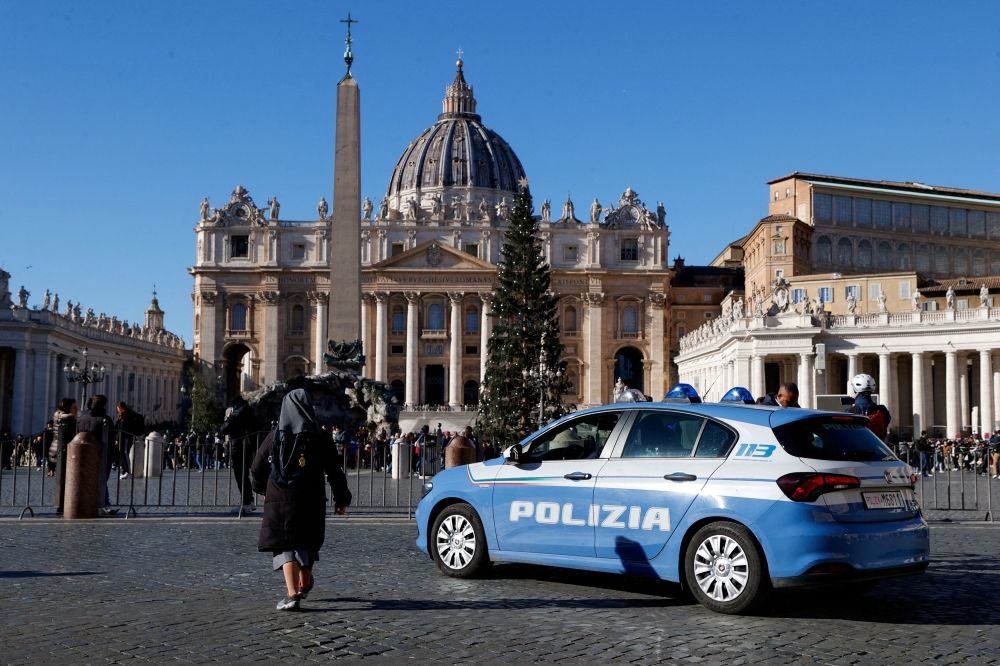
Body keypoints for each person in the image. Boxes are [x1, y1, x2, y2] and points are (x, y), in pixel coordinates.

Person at [250, 389, 352, 611]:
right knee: (308, 539)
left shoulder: (275, 435)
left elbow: (256, 468)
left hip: (280, 497)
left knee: (285, 544)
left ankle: (292, 594)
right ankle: (305, 583)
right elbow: (335, 471)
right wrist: (342, 498)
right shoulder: (321, 436)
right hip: (311, 495)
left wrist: (261, 490)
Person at [76, 395, 119, 514]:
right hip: (102, 453)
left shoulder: (81, 418)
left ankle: (88, 503)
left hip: (83, 454)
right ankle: (105, 504)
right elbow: (111, 439)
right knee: (102, 479)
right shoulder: (105, 419)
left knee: (86, 479)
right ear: (104, 405)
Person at [220, 396, 259, 513]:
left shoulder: (237, 414)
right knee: (244, 475)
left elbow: (224, 429)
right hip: (247, 446)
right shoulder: (248, 411)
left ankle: (246, 503)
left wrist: (228, 417)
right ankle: (249, 501)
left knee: (240, 476)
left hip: (238, 447)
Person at [847, 374, 891, 442]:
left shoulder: (851, 412)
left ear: (855, 390)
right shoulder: (882, 410)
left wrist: (855, 406)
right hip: (877, 448)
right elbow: (887, 421)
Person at [115, 402, 145, 480]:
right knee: (123, 454)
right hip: (125, 437)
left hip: (126, 438)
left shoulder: (127, 416)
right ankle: (125, 471)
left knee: (125, 453)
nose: (117, 410)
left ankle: (128, 472)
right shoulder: (124, 415)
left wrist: (117, 439)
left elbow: (122, 429)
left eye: (118, 408)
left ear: (122, 408)